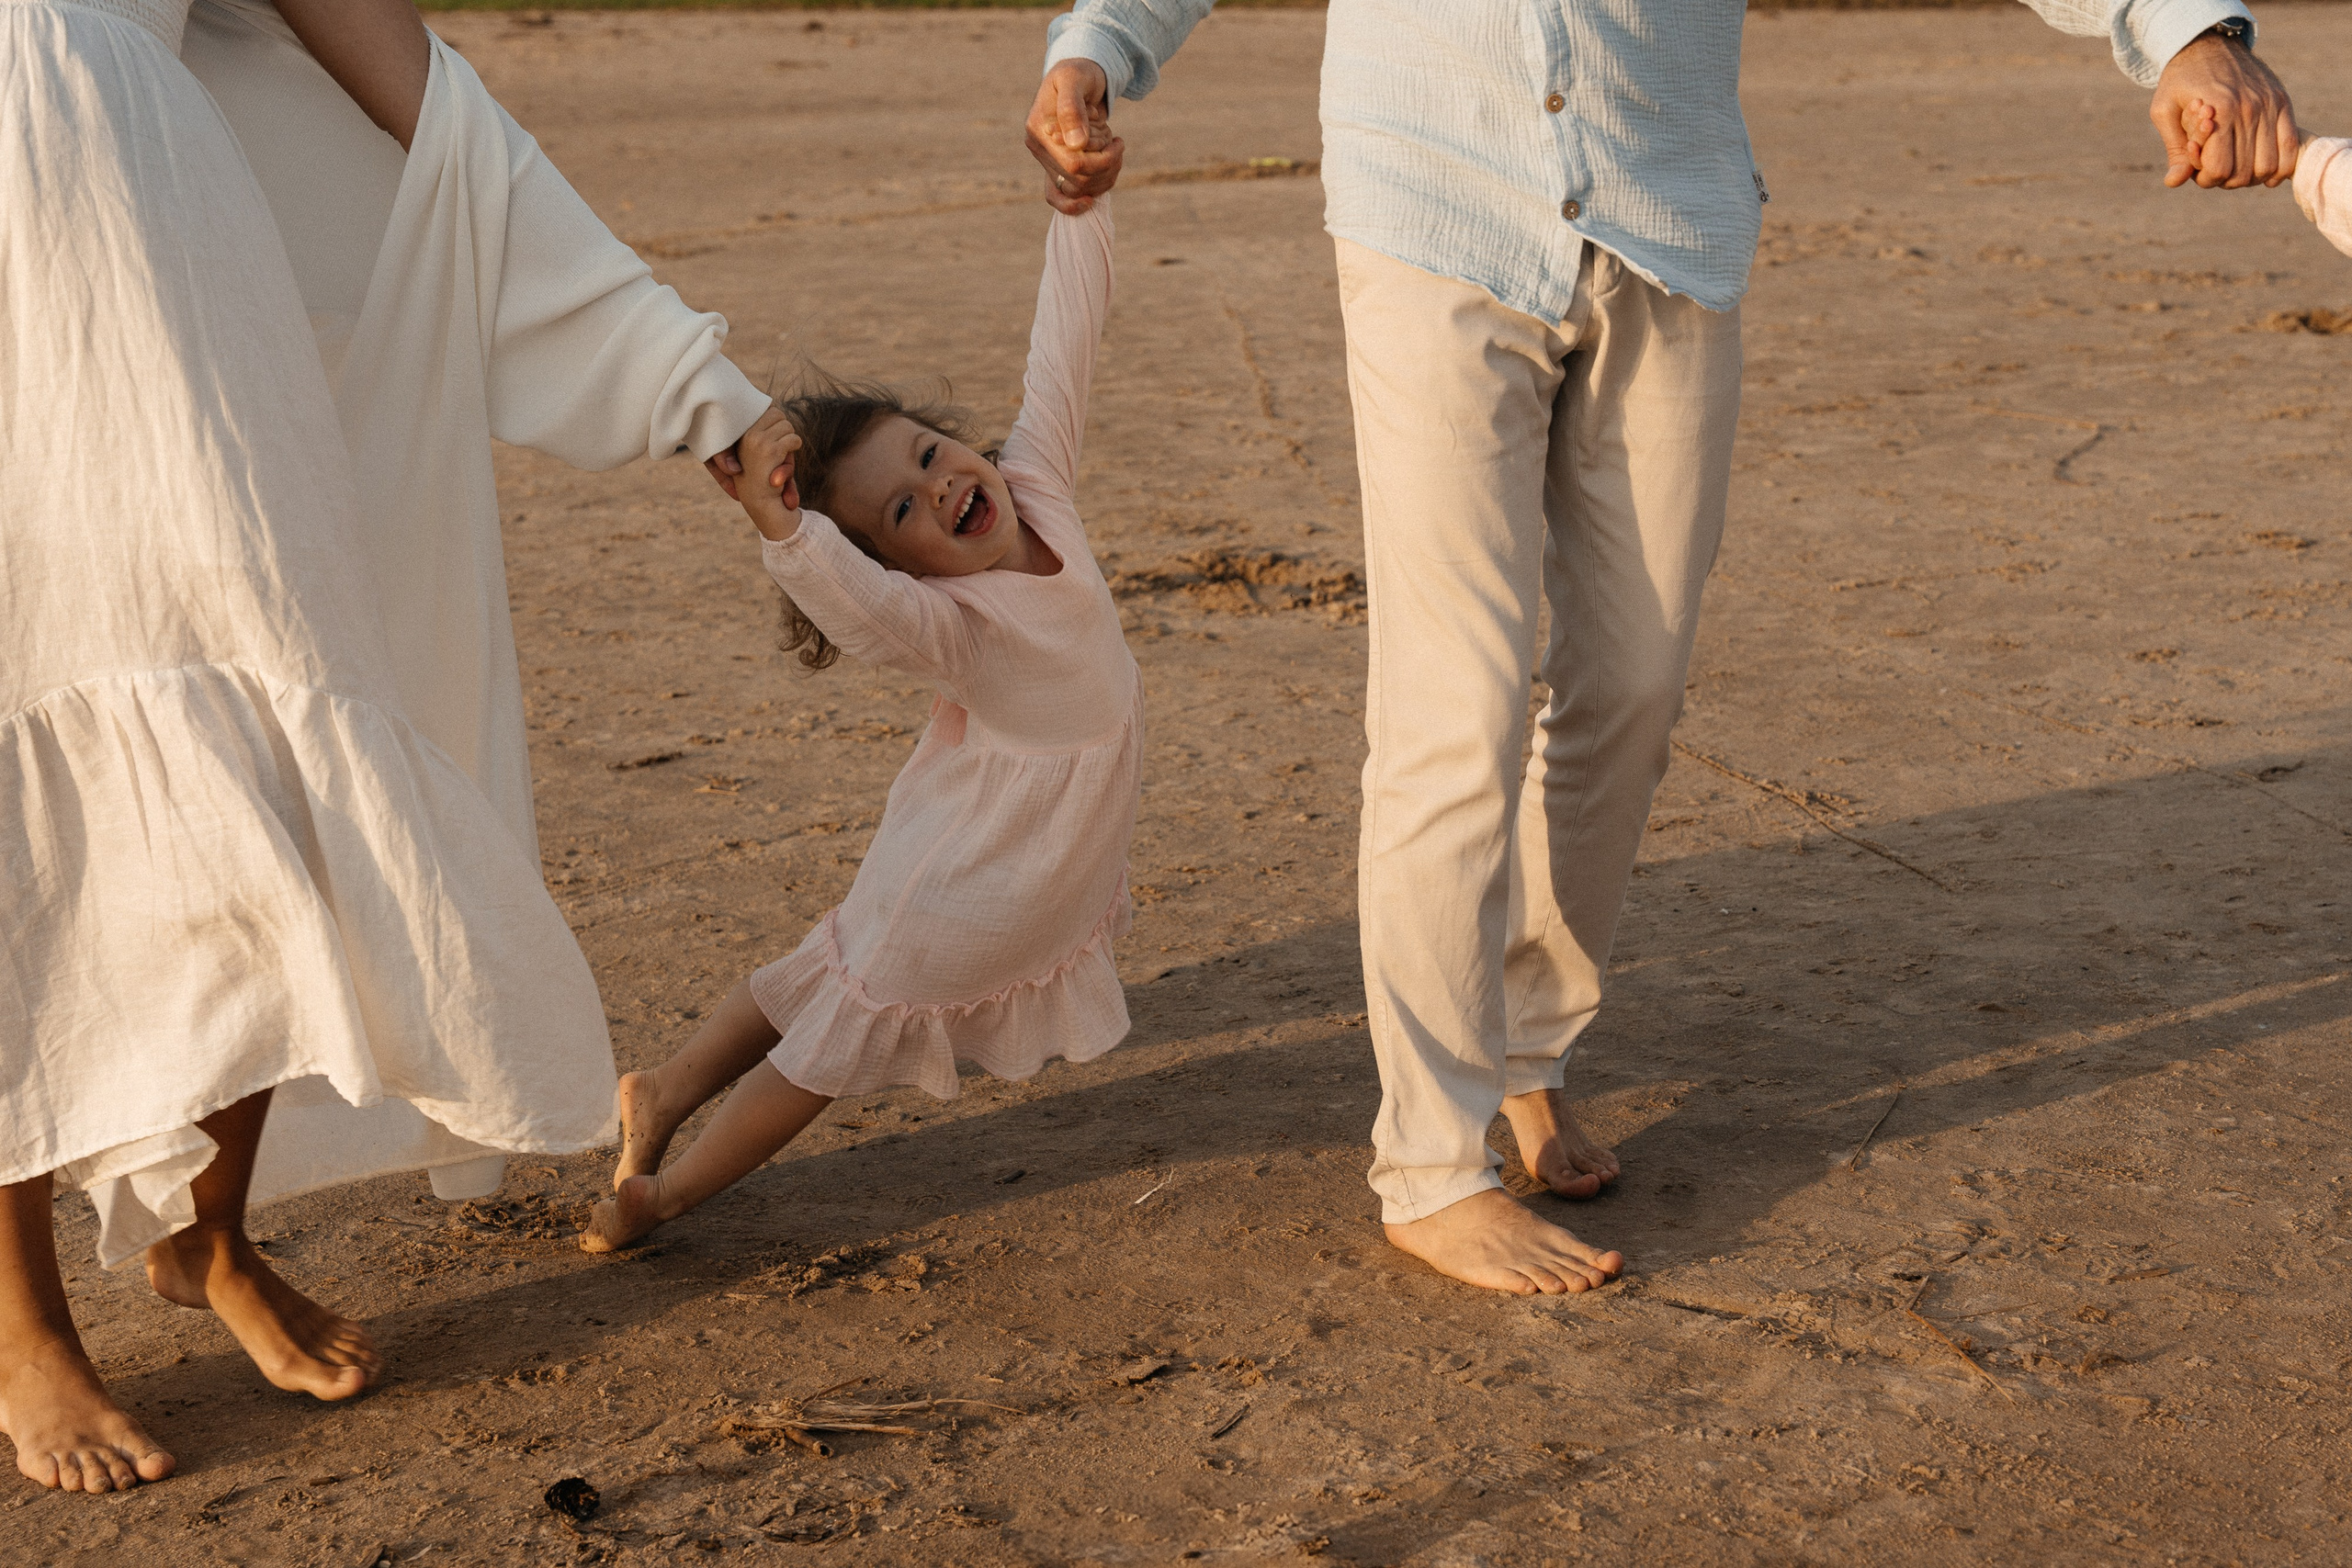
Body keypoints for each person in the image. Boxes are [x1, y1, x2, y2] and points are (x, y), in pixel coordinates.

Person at [1023, 0, 2300, 1297]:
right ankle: (1430, 1167)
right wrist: (1098, 44)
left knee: (1632, 685)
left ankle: (1526, 1049)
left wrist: (2178, 28)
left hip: (1666, 219)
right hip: (1431, 210)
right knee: (1451, 712)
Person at [1, 0, 768, 1492]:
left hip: (164, 236)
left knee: (267, 684)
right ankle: (21, 1317)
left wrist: (684, 374)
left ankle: (210, 1231)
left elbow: (416, 84)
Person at [583, 200, 1139, 1254]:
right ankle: (672, 1193)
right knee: (838, 1029)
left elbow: (1065, 339)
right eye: (902, 514)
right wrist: (786, 531)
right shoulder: (951, 628)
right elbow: (860, 606)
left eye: (930, 456)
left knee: (827, 972)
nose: (940, 488)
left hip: (1016, 852)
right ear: (899, 568)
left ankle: (662, 1090)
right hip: (968, 873)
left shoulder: (1036, 483)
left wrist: (1081, 205)